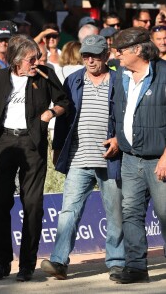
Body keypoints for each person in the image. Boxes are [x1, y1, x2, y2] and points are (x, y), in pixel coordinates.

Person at [0, 34, 70, 282]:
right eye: (31, 59)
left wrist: (49, 114)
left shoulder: (45, 74)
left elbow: (64, 102)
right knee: (0, 204)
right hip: (5, 143)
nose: (36, 62)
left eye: (37, 57)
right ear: (16, 59)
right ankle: (1, 262)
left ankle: (27, 264)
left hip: (32, 142)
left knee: (33, 206)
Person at [40, 35, 125, 281]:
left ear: (106, 56)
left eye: (95, 55)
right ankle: (59, 261)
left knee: (115, 212)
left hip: (112, 159)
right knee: (69, 212)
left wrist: (119, 139)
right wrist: (57, 148)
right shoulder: (74, 80)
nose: (90, 60)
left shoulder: (120, 80)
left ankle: (117, 262)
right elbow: (64, 118)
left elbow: (128, 116)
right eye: (86, 55)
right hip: (79, 157)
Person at [111, 27, 166, 284]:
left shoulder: (164, 74)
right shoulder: (122, 75)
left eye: (120, 50)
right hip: (131, 158)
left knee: (165, 213)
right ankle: (136, 268)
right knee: (130, 212)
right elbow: (123, 113)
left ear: (137, 50)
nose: (116, 54)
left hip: (159, 159)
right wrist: (118, 138)